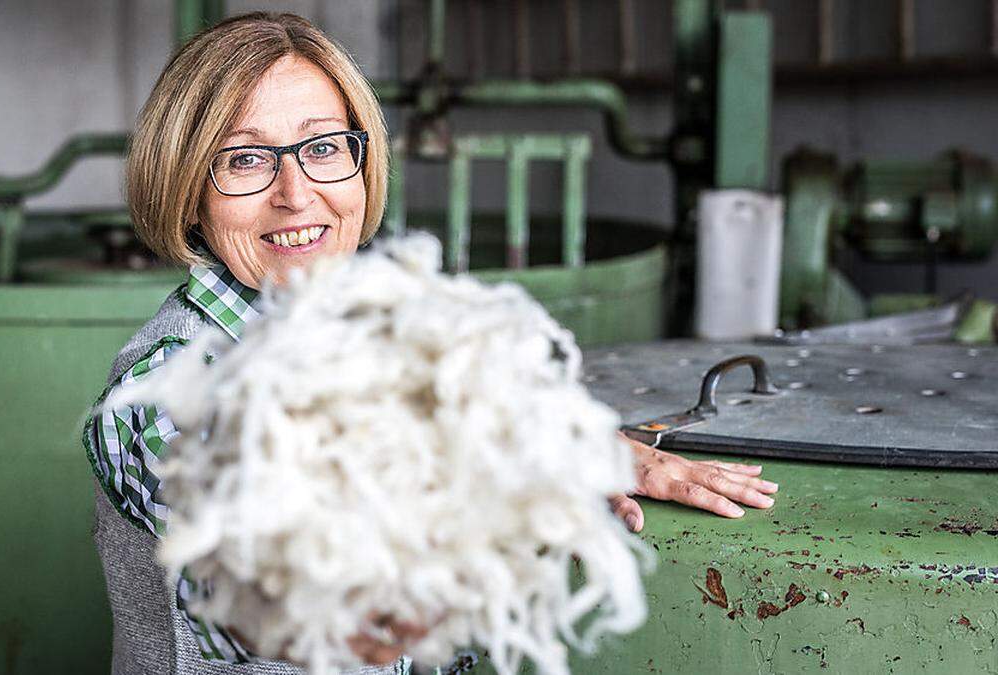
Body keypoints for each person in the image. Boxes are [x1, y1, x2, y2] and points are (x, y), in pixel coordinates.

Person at [82, 12, 778, 675]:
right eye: (244, 160)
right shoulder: (163, 393)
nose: (296, 193)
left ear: (361, 163)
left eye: (323, 148)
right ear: (185, 189)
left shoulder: (377, 326)